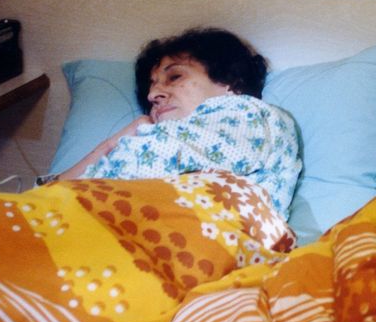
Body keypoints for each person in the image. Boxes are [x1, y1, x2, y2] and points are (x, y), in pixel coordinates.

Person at [52, 27, 302, 219]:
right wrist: (110, 144)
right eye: (151, 86)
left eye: (174, 76)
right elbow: (51, 194)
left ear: (230, 82)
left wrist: (140, 141)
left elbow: (63, 200)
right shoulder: (157, 138)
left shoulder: (252, 115)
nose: (153, 95)